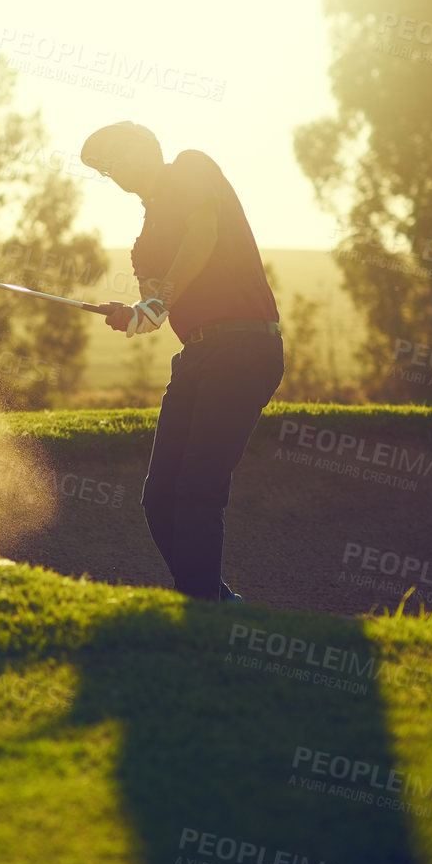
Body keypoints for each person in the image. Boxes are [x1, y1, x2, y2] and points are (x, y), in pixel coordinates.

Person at [81, 121, 284, 602]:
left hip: (246, 346)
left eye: (119, 155)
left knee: (198, 488)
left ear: (150, 145)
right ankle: (210, 598)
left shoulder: (192, 167)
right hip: (197, 354)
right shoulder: (143, 245)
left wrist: (157, 301)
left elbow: (203, 234)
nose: (115, 171)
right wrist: (135, 315)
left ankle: (205, 608)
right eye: (105, 168)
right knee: (159, 498)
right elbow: (155, 309)